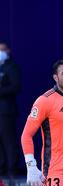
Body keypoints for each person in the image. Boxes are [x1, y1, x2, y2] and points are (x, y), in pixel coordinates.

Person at [0, 42, 20, 177]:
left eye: (2, 49)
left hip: (6, 111)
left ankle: (12, 169)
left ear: (8, 51)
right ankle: (1, 168)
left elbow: (15, 86)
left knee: (8, 140)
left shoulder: (11, 67)